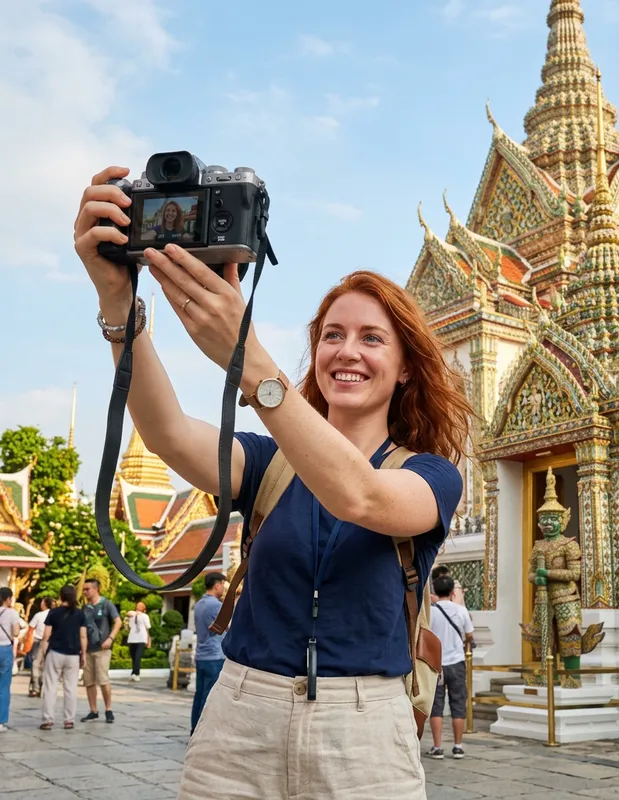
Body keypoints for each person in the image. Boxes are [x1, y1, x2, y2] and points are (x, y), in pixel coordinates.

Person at [74, 165, 472, 800]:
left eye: (373, 339)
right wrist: (118, 302)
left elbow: (360, 496)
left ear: (402, 370)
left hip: (364, 730)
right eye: (332, 336)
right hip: (241, 715)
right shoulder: (268, 462)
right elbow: (168, 433)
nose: (348, 351)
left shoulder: (429, 475)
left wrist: (247, 359)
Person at [427, 575, 474, 760]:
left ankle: (437, 747)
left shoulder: (431, 612)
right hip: (456, 662)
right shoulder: (460, 611)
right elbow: (469, 634)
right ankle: (457, 746)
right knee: (458, 703)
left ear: (435, 592)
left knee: (436, 705)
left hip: (437, 664)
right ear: (453, 592)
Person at [40, 585, 88, 730]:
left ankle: (48, 720)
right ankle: (69, 720)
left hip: (55, 652)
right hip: (73, 654)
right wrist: (83, 654)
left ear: (60, 597)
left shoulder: (53, 613)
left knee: (50, 686)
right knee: (71, 688)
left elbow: (46, 636)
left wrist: (43, 654)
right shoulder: (80, 614)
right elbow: (83, 636)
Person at [190, 572, 227, 734]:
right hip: (214, 654)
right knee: (210, 696)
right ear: (217, 585)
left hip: (202, 655)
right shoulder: (216, 606)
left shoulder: (199, 604)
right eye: (223, 585)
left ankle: (195, 728)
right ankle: (204, 731)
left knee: (199, 694)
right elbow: (227, 626)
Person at [80, 578, 121, 723]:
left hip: (102, 648)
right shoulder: (85, 608)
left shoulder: (106, 604)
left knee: (103, 679)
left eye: (87, 589)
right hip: (88, 649)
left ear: (96, 589)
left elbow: (118, 621)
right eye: (83, 589)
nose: (85, 592)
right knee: (89, 681)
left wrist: (111, 638)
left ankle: (108, 709)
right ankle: (93, 710)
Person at [0, 587, 21, 732]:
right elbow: (15, 632)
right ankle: (0, 722)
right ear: (8, 599)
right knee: (4, 687)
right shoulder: (12, 613)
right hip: (5, 650)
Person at [28, 597, 55, 697]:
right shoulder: (55, 614)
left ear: (44, 604)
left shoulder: (39, 615)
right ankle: (43, 686)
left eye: (42, 602)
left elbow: (31, 628)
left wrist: (27, 644)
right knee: (46, 666)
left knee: (35, 664)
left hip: (40, 641)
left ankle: (35, 688)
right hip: (52, 643)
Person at [126, 601, 151, 682]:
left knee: (137, 657)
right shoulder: (132, 615)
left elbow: (147, 628)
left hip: (141, 638)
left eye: (141, 605)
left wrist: (148, 640)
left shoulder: (145, 616)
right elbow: (129, 625)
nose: (139, 606)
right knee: (133, 657)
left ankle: (136, 674)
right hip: (132, 638)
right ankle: (134, 672)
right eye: (138, 605)